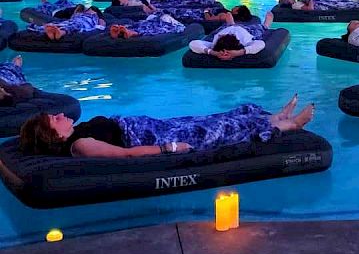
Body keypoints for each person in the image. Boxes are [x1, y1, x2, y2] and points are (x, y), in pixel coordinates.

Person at [19, 95, 315, 157]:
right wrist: (168, 148)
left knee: (217, 119)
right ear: (52, 135)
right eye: (54, 120)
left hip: (156, 125)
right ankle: (285, 127)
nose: (60, 115)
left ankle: (273, 118)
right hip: (157, 137)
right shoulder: (79, 145)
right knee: (220, 132)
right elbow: (127, 155)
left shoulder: (79, 132)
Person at [189, 12, 273, 60]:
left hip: (226, 28)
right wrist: (239, 52)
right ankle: (266, 25)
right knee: (261, 28)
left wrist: (213, 53)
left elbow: (193, 43)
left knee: (226, 26)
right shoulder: (246, 42)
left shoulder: (214, 44)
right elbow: (260, 44)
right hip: (246, 31)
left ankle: (230, 23)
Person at [29, 6, 106, 40]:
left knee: (75, 26)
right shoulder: (79, 14)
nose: (88, 10)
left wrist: (97, 28)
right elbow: (72, 18)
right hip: (73, 21)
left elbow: (101, 26)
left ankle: (60, 33)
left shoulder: (96, 16)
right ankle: (47, 30)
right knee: (62, 24)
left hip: (84, 23)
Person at [109, 13, 185, 39]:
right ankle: (131, 32)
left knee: (150, 22)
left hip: (155, 20)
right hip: (161, 20)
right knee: (154, 22)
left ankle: (131, 32)